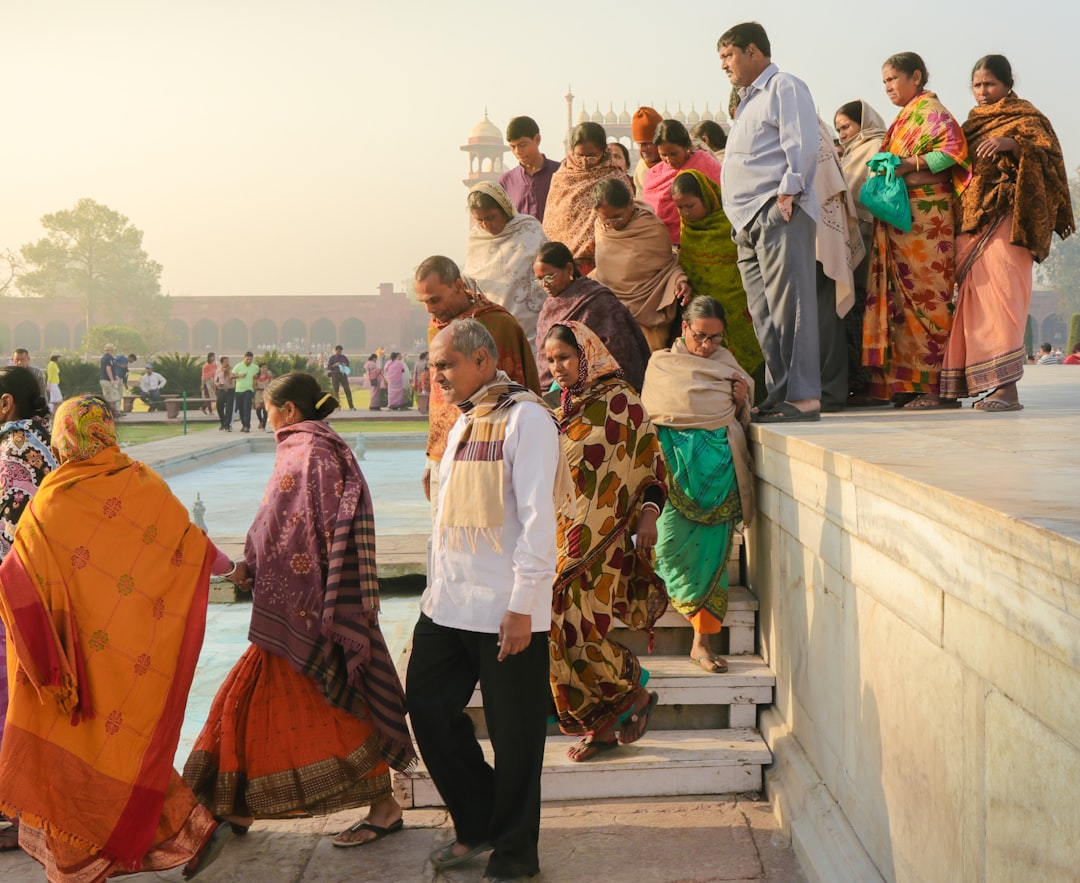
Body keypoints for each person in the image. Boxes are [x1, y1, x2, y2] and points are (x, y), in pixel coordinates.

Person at [0, 395, 238, 880]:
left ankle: (83, 865)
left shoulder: (53, 498)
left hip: (72, 661)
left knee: (75, 753)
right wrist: (234, 568)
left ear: (63, 436)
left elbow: (15, 575)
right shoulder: (142, 482)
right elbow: (190, 546)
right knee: (123, 752)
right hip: (129, 657)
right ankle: (187, 832)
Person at [183, 372, 415, 849]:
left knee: (320, 705)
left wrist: (262, 568)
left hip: (305, 605)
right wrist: (253, 563)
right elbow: (283, 521)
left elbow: (310, 530)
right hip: (286, 600)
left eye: (268, 409)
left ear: (288, 409)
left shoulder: (311, 451)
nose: (265, 417)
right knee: (256, 701)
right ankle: (237, 805)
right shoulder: (309, 447)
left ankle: (383, 806)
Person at [406, 318, 571, 882]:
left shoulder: (526, 419)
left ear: (482, 360)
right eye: (433, 365)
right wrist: (431, 592)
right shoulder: (465, 420)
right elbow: (446, 521)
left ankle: (516, 854)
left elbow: (538, 519)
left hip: (508, 608)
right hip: (448, 604)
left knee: (515, 738)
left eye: (445, 364)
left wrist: (524, 604)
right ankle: (479, 821)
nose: (436, 375)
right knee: (427, 708)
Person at [544, 322, 664, 761]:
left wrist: (648, 517)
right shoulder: (558, 407)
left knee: (577, 627)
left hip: (603, 541)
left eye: (564, 357)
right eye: (551, 360)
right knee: (558, 629)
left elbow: (652, 466)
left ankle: (630, 695)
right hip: (561, 538)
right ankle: (604, 725)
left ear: (587, 354)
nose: (557, 367)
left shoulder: (621, 402)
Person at [941, 54, 1075, 411]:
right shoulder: (969, 126)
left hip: (1009, 222)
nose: (982, 92)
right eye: (977, 85)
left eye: (990, 84)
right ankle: (981, 384)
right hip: (972, 224)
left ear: (1007, 85)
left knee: (1003, 301)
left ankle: (1007, 390)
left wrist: (1014, 145)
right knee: (976, 305)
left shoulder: (1028, 119)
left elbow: (1051, 163)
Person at [641, 297, 755, 673]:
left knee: (713, 561)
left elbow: (740, 417)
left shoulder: (727, 365)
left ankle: (701, 644)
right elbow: (651, 419)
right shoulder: (661, 364)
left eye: (715, 338)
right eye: (700, 336)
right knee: (667, 548)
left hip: (720, 477)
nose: (706, 346)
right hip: (674, 476)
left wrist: (741, 400)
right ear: (684, 328)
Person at [718, 21, 822, 423]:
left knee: (791, 309)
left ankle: (803, 398)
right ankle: (780, 393)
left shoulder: (783, 87)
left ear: (753, 51)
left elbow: (802, 142)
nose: (724, 65)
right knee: (764, 315)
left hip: (777, 210)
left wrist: (789, 190)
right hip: (746, 221)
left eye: (728, 55)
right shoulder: (746, 102)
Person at [863, 51, 971, 410]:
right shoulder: (905, 117)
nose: (888, 87)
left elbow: (953, 153)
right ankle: (909, 383)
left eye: (893, 78)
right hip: (902, 220)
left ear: (916, 77)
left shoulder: (932, 112)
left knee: (930, 302)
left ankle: (938, 387)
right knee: (903, 305)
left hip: (928, 220)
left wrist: (908, 164)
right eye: (884, 81)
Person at [414, 255, 540, 506]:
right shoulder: (435, 327)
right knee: (444, 528)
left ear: (458, 286)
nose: (429, 309)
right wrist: (431, 459)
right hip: (444, 452)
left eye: (434, 299)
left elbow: (516, 395)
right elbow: (440, 401)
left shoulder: (497, 325)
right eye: (423, 302)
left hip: (488, 452)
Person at [0, 366, 57, 852]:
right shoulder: (48, 441)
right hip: (44, 590)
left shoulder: (11, 451)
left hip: (12, 592)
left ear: (6, 404)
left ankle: (15, 808)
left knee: (8, 695)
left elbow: (11, 531)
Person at [671, 169, 765, 400]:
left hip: (743, 310)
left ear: (708, 198)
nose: (685, 212)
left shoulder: (732, 224)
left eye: (690, 205)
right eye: (680, 207)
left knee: (755, 360)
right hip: (708, 318)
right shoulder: (688, 231)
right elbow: (689, 270)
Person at [534, 241, 652, 392]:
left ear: (569, 269)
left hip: (601, 391)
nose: (545, 284)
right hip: (556, 393)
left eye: (550, 277)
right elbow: (544, 360)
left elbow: (618, 351)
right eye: (539, 280)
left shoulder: (599, 301)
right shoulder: (547, 309)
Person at [590, 177, 689, 351]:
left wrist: (679, 280)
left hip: (648, 311)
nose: (612, 223)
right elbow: (604, 269)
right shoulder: (601, 227)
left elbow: (667, 267)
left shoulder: (652, 228)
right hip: (609, 308)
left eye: (617, 216)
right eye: (606, 219)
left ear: (630, 204)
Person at [835, 100, 889, 405]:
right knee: (853, 310)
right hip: (853, 237)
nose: (842, 134)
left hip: (871, 239)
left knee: (866, 309)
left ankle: (873, 383)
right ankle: (859, 380)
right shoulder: (852, 152)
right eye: (839, 129)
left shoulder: (875, 146)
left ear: (863, 122)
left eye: (847, 126)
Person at [812, 116, 865, 412]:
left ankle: (829, 392)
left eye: (847, 127)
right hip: (814, 236)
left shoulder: (806, 134)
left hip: (818, 239)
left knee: (826, 315)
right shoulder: (812, 132)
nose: (843, 133)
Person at [464, 181, 548, 350]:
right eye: (480, 220)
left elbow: (548, 270)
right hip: (494, 329)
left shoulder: (529, 229)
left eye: (491, 217)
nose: (486, 225)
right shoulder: (476, 239)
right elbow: (470, 283)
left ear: (504, 209)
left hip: (533, 324)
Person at [542, 121, 633, 275]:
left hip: (605, 263)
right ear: (572, 151)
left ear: (603, 150)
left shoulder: (616, 177)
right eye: (580, 155)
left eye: (592, 156)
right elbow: (553, 222)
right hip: (563, 266)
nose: (585, 161)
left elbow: (627, 216)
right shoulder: (561, 177)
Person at [643, 118, 722, 245]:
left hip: (705, 239)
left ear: (686, 146)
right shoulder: (654, 175)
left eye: (674, 154)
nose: (669, 160)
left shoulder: (705, 165)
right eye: (663, 155)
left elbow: (722, 202)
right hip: (662, 243)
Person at [499, 115, 562, 222]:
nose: (518, 151)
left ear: (537, 139)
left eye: (522, 145)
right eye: (513, 147)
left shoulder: (560, 173)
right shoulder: (506, 182)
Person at [631, 106, 664, 197]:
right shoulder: (641, 168)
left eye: (647, 144)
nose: (642, 150)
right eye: (639, 144)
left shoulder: (676, 163)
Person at [231, 351, 258, 432]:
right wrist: (239, 375)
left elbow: (259, 376)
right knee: (241, 409)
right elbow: (231, 376)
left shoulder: (255, 367)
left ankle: (247, 426)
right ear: (244, 358)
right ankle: (243, 424)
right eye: (247, 359)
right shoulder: (238, 366)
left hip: (249, 390)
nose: (249, 361)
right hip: (239, 390)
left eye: (250, 359)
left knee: (247, 408)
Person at [98, 343, 124, 418]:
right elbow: (108, 368)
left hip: (102, 380)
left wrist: (115, 376)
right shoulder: (109, 358)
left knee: (107, 396)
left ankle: (108, 412)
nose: (113, 351)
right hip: (107, 380)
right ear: (110, 350)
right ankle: (116, 412)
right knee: (115, 396)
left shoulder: (104, 358)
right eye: (113, 349)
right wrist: (112, 379)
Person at [326, 344, 355, 409]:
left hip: (343, 375)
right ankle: (337, 406)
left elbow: (348, 365)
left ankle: (351, 406)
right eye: (338, 350)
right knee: (336, 391)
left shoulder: (344, 357)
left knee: (347, 390)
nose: (339, 352)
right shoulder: (332, 358)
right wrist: (335, 365)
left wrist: (344, 364)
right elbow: (329, 367)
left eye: (340, 351)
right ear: (335, 350)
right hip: (335, 375)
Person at [214, 355, 235, 431]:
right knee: (219, 407)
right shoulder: (218, 370)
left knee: (229, 408)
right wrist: (218, 384)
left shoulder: (232, 369)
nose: (227, 363)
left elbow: (234, 377)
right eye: (225, 361)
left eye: (228, 361)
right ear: (222, 362)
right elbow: (215, 381)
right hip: (221, 391)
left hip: (230, 390)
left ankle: (227, 425)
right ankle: (223, 423)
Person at [253, 362, 273, 430]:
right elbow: (254, 386)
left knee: (265, 410)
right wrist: (256, 387)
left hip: (266, 393)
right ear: (260, 368)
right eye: (263, 367)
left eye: (266, 367)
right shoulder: (256, 376)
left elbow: (272, 384)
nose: (264, 369)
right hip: (258, 393)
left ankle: (263, 426)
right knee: (258, 409)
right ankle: (261, 421)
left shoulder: (269, 376)